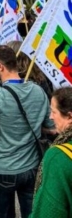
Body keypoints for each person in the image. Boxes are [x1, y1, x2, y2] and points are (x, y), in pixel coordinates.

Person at [0, 45, 55, 218]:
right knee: (31, 213)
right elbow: (51, 126)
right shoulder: (38, 90)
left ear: (0, 67)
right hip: (32, 167)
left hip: (3, 168)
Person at [32, 87, 72, 218]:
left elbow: (49, 211)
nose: (50, 117)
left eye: (53, 112)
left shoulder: (59, 157)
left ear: (69, 116)